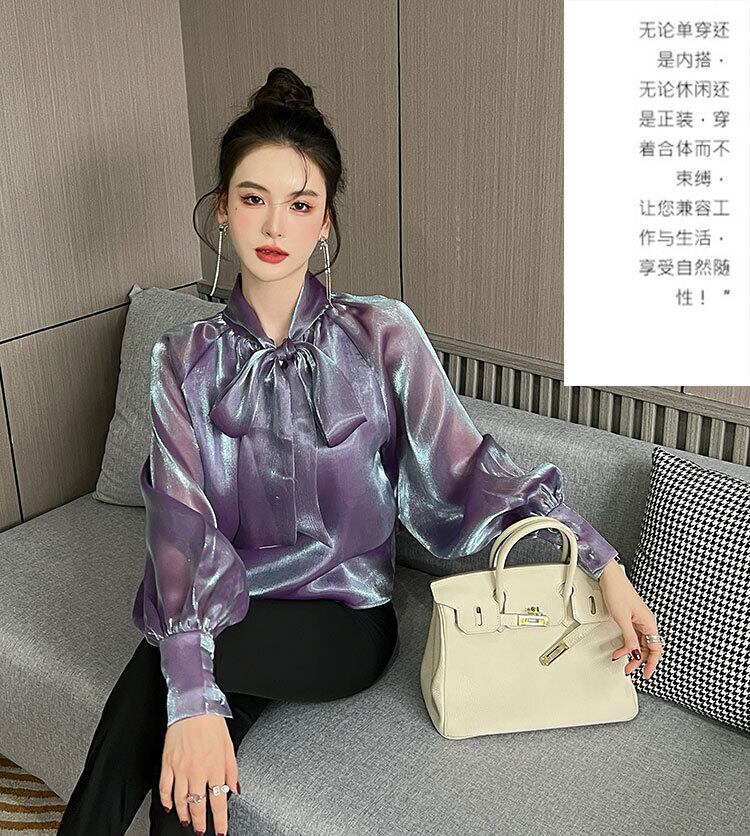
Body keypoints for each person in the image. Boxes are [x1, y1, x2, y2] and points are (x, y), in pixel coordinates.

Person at [57, 66, 662, 836]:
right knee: (191, 756)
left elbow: (469, 472)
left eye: (299, 204)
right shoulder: (183, 358)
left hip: (341, 620)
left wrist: (603, 565)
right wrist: (195, 690)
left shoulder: (380, 334)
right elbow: (179, 528)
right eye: (254, 199)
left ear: (325, 223)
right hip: (227, 604)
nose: (275, 226)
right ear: (223, 209)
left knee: (168, 679)